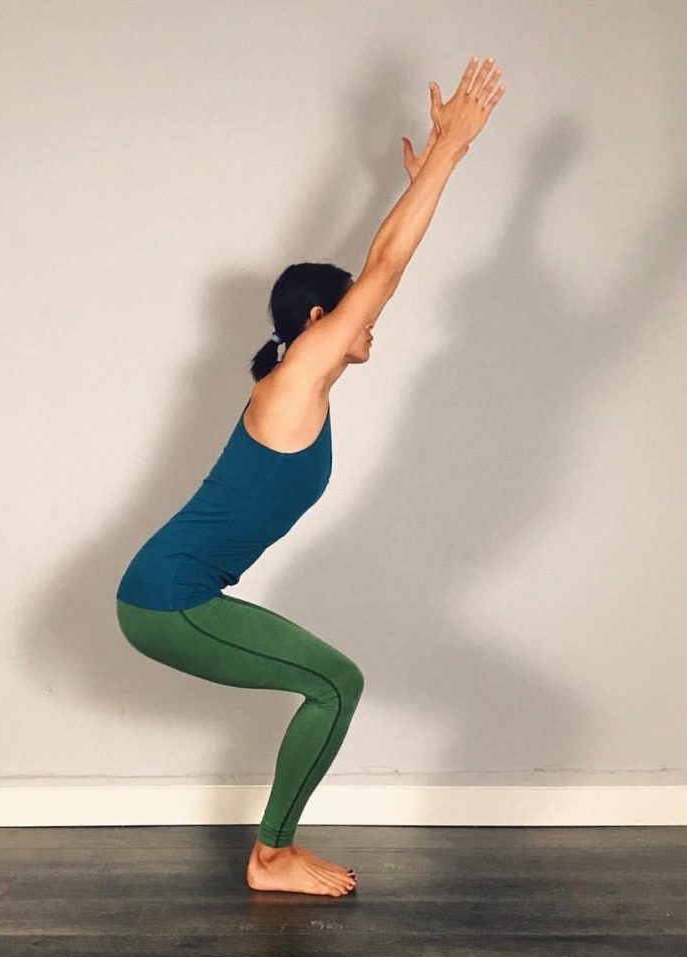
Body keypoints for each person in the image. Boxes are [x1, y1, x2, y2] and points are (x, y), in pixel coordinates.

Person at [116, 56, 505, 897]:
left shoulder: (298, 386)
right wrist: (448, 153)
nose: (374, 322)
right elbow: (385, 268)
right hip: (167, 599)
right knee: (337, 684)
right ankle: (271, 856)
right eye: (355, 312)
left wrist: (430, 175)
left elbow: (377, 269)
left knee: (330, 682)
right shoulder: (293, 379)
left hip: (167, 591)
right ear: (319, 321)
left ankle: (274, 851)